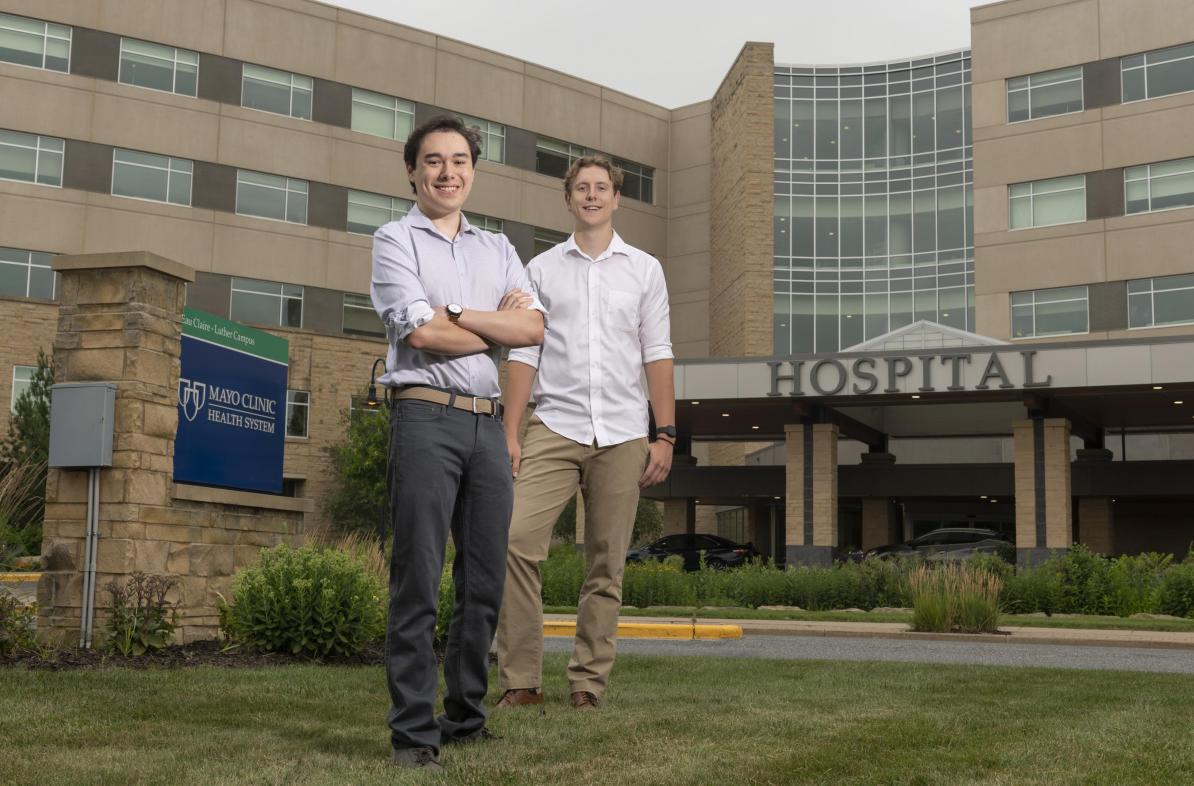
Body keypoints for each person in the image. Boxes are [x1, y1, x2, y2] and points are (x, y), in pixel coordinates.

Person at [370, 115, 545, 770]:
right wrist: (498, 328)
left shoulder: (497, 247)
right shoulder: (394, 240)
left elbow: (533, 327)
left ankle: (466, 718)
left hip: (488, 425)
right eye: (434, 161)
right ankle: (415, 733)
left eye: (460, 160)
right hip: (424, 417)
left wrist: (461, 317)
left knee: (485, 582)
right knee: (417, 575)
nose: (449, 172)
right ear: (413, 170)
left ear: (473, 169)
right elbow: (420, 336)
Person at [495, 154, 675, 711]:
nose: (592, 196)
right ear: (569, 200)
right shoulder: (541, 270)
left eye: (601, 188)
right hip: (555, 424)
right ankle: (521, 682)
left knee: (606, 562)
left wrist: (664, 433)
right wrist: (510, 429)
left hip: (623, 432)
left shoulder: (645, 270)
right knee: (514, 542)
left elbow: (657, 353)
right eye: (582, 188)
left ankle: (587, 685)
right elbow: (524, 350)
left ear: (616, 199)